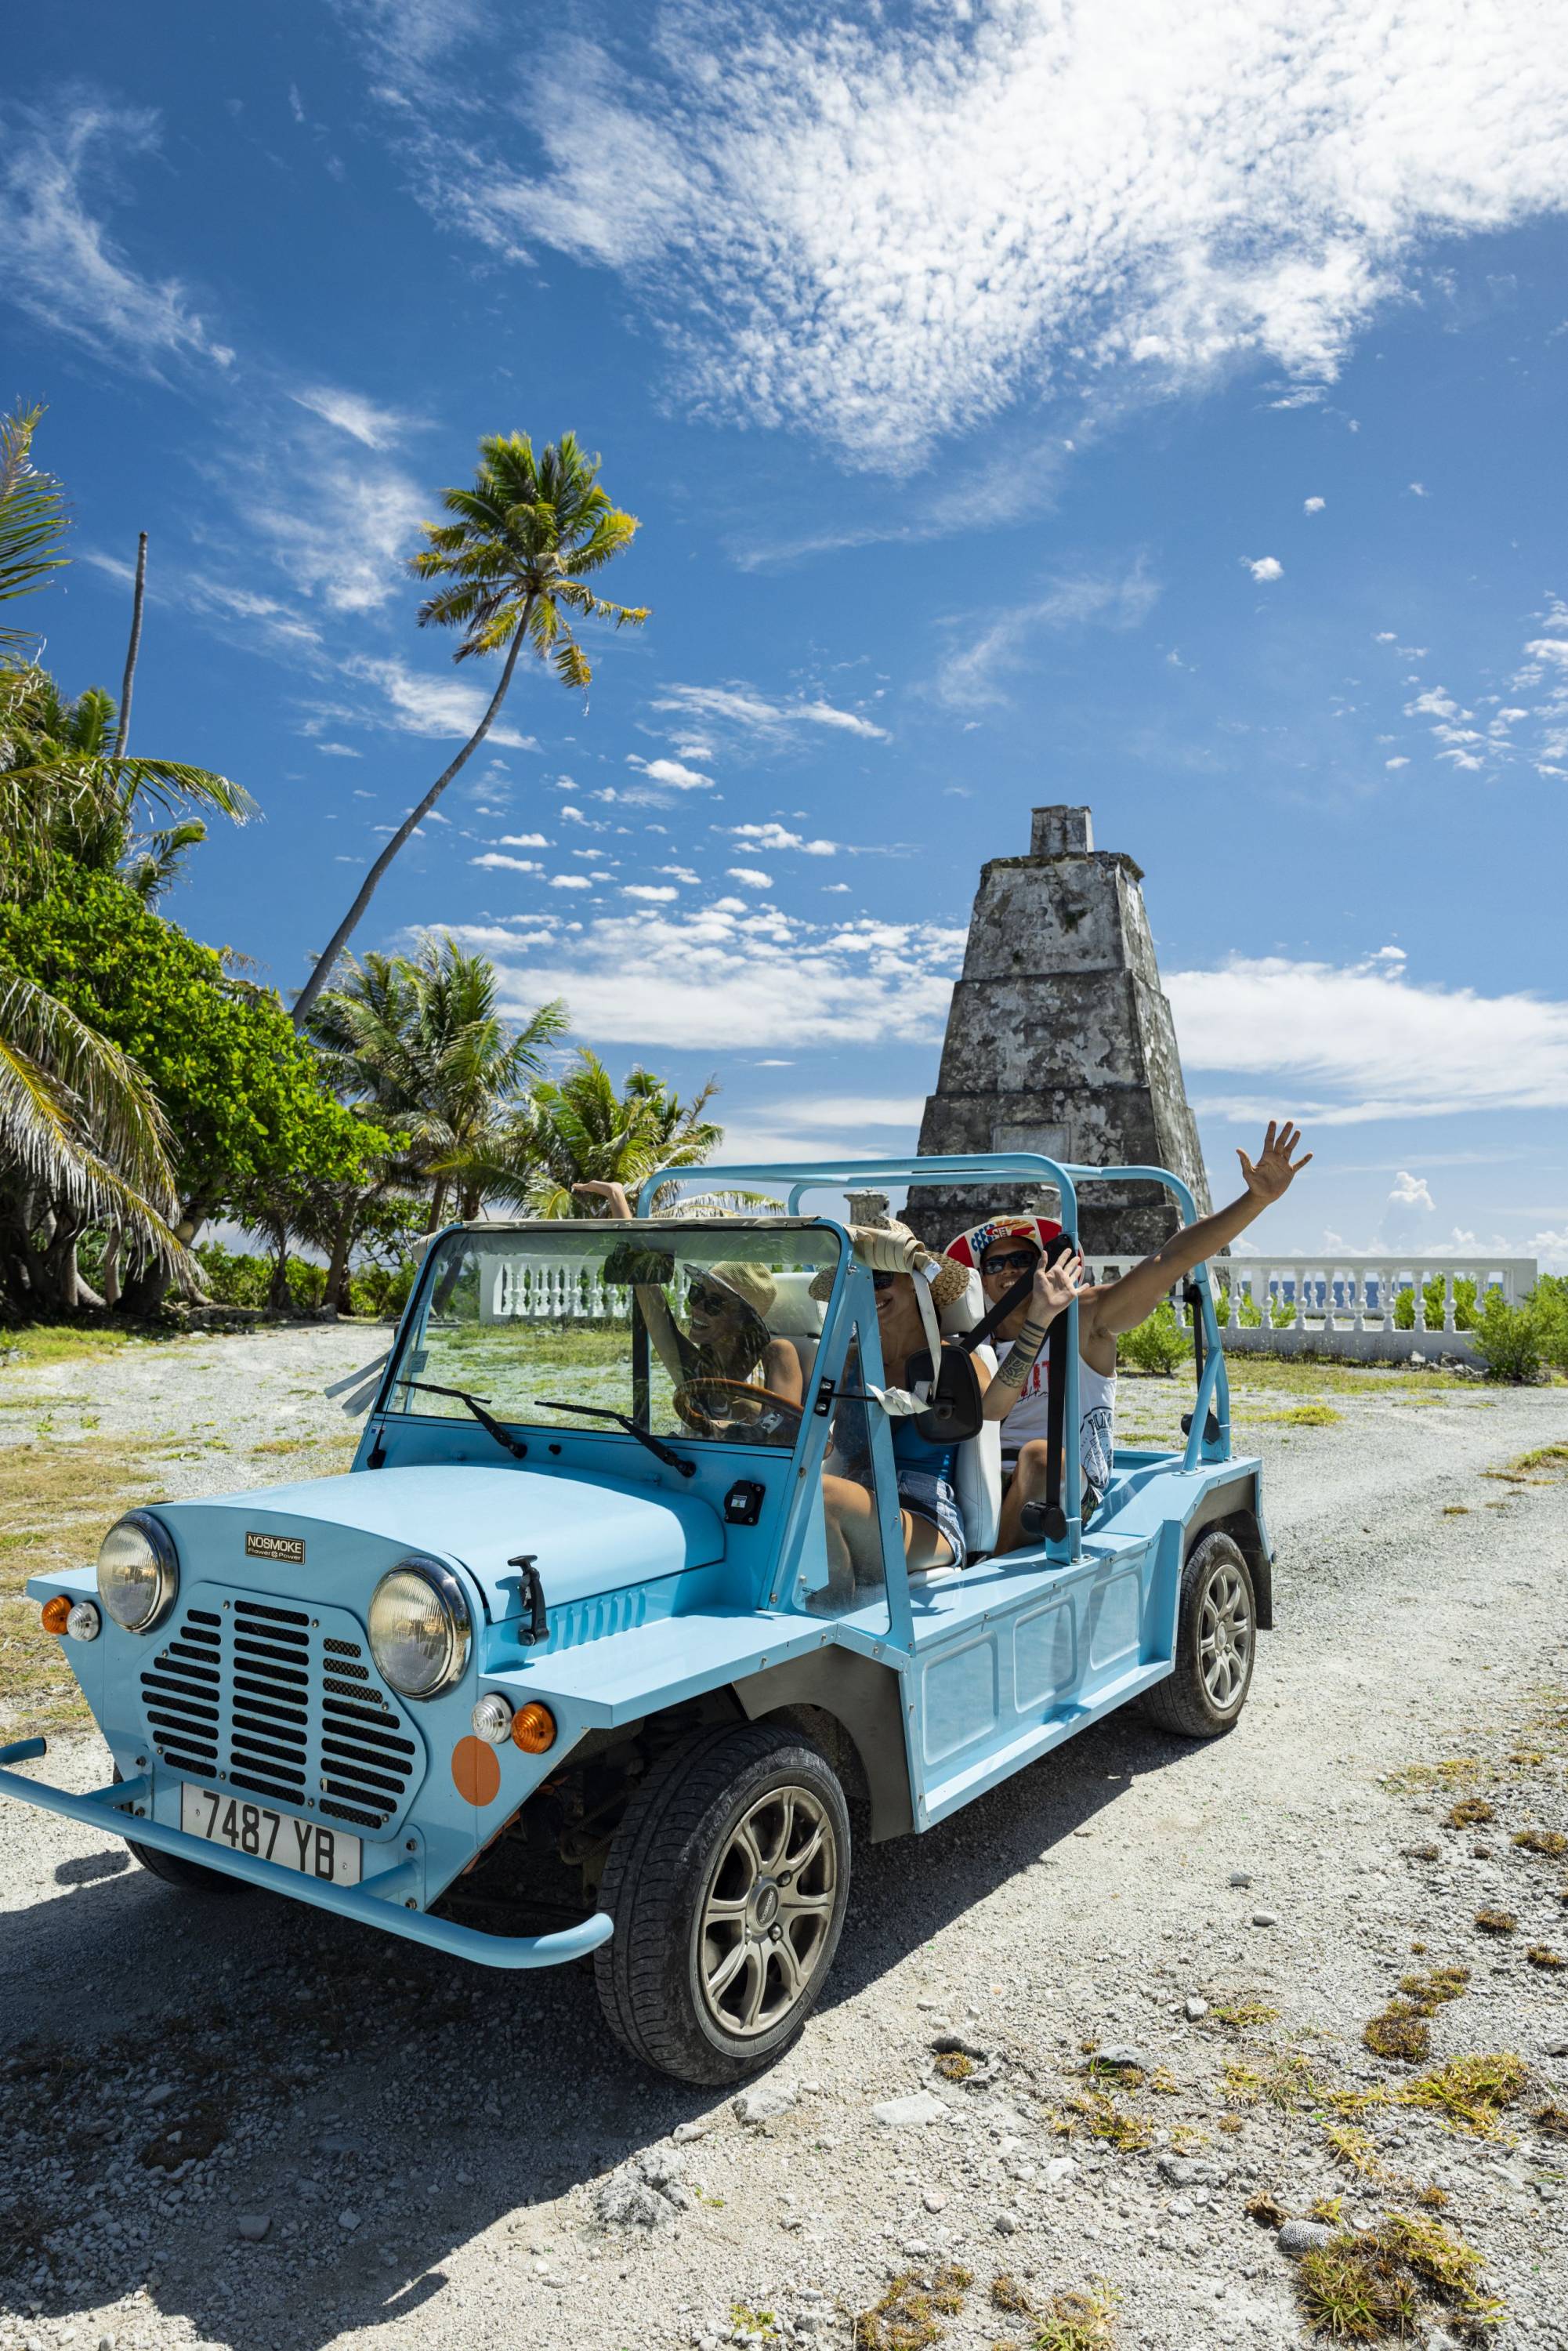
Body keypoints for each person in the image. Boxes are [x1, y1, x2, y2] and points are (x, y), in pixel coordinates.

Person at [947, 1120, 1312, 1552]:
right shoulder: (969, 1342)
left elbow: (1168, 1261)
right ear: (981, 1280)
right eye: (994, 1264)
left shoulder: (1084, 1317)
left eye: (1023, 1260)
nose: (1007, 1270)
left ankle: (987, 1578)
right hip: (981, 1476)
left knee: (1040, 1458)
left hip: (1065, 1479)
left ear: (1048, 1264)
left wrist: (1256, 1200)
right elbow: (985, 1411)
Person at [812, 1221, 1082, 1603]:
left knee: (823, 1497)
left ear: (916, 1283)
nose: (870, 1291)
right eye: (861, 1280)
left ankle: (825, 1634)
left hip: (927, 1518)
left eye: (882, 1279)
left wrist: (1038, 1319)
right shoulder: (848, 1361)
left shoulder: (954, 1360)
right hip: (859, 1502)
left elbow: (996, 1406)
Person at [570, 1180, 803, 1422]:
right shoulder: (699, 1367)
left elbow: (783, 1436)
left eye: (714, 1303)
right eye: (696, 1293)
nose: (697, 1307)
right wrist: (616, 1197)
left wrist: (736, 1419)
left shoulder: (778, 1353)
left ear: (742, 1319)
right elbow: (647, 1287)